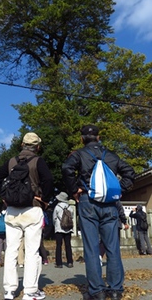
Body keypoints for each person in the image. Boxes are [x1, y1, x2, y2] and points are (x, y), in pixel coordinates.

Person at [62, 124, 135, 300]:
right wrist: (118, 189)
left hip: (88, 201)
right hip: (110, 203)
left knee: (92, 247)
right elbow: (129, 173)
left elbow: (66, 169)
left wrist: (74, 190)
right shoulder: (111, 155)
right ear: (98, 137)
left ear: (82, 139)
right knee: (112, 247)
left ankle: (97, 291)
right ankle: (116, 289)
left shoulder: (79, 154)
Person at [0, 132, 54, 300]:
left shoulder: (12, 161)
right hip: (32, 209)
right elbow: (48, 180)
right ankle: (30, 290)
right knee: (32, 251)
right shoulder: (38, 161)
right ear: (37, 147)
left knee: (11, 250)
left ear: (22, 145)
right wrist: (45, 200)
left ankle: (10, 290)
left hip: (12, 210)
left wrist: (4, 196)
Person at [99, 201, 129, 265]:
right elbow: (121, 212)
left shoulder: (103, 201)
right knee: (115, 242)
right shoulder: (117, 202)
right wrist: (124, 222)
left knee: (103, 241)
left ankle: (100, 256)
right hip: (116, 223)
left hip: (104, 224)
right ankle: (114, 259)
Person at [53, 191, 74, 268]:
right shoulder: (69, 207)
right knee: (68, 245)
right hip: (68, 228)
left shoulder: (57, 207)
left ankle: (59, 263)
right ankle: (70, 262)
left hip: (59, 228)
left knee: (59, 245)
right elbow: (72, 217)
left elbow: (54, 218)